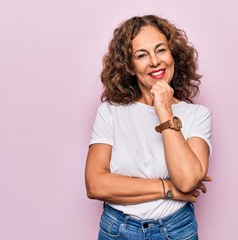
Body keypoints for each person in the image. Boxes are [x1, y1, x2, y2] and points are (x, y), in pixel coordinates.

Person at [85, 15, 212, 240]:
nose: (155, 61)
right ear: (130, 66)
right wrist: (169, 190)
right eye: (142, 55)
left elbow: (186, 180)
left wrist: (164, 111)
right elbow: (95, 184)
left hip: (177, 229)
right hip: (118, 229)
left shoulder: (197, 115)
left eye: (161, 50)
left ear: (174, 55)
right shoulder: (111, 112)